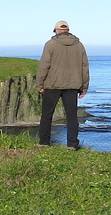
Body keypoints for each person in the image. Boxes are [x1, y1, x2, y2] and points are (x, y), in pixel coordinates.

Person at [36, 20, 89, 149]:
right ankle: (72, 144)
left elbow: (44, 66)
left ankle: (44, 142)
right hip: (72, 86)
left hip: (52, 84)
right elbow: (85, 67)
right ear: (68, 30)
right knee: (71, 116)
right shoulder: (79, 45)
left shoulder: (50, 44)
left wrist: (40, 84)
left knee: (47, 114)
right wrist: (84, 87)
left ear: (57, 30)